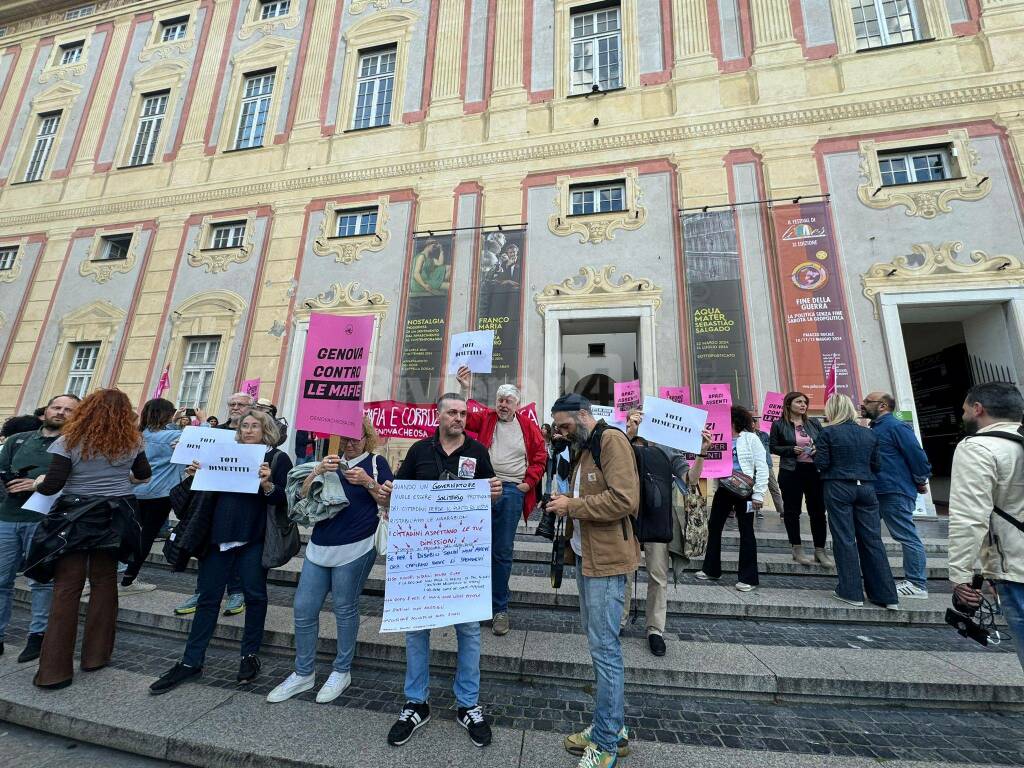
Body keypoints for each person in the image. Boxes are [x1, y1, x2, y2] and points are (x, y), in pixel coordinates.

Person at [378, 392, 501, 749]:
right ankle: (416, 702)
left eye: (463, 413)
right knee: (417, 630)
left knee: (470, 631)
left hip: (463, 560)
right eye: (452, 412)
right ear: (438, 415)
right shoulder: (419, 451)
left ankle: (468, 704)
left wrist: (493, 493)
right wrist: (388, 492)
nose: (459, 418)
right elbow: (399, 495)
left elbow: (489, 497)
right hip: (423, 558)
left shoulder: (477, 452)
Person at [149, 409, 292, 694]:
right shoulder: (221, 453)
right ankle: (191, 661)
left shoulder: (276, 458)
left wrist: (267, 484)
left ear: (267, 430)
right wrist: (192, 475)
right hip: (218, 537)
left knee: (255, 596)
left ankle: (249, 656)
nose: (248, 430)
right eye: (244, 426)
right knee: (208, 599)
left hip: (253, 538)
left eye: (255, 426)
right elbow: (196, 496)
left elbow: (283, 500)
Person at [28, 389, 149, 688]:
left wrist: (39, 482)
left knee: (67, 588)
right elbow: (143, 473)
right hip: (116, 515)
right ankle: (96, 656)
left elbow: (53, 484)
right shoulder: (133, 440)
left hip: (75, 516)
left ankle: (54, 671)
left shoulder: (68, 440)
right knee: (105, 582)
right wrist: (122, 478)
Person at [267, 417, 392, 705]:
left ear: (366, 437)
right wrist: (317, 472)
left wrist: (368, 481)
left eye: (356, 437)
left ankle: (341, 670)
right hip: (320, 544)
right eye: (345, 437)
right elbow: (299, 497)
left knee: (345, 607)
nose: (350, 443)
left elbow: (389, 501)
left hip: (357, 544)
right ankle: (303, 672)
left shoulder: (376, 462)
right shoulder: (329, 460)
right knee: (303, 607)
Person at [547, 394, 639, 768]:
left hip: (607, 562)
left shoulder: (610, 441)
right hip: (588, 558)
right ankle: (610, 725)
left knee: (605, 650)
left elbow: (624, 500)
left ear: (584, 415)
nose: (561, 432)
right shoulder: (584, 447)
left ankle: (605, 744)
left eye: (565, 425)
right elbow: (586, 493)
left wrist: (574, 506)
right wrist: (564, 499)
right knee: (599, 645)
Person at [456, 366, 546, 636]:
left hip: (510, 491)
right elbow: (463, 419)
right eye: (500, 400)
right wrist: (464, 388)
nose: (503, 404)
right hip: (483, 488)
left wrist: (527, 484)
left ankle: (499, 609)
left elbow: (541, 456)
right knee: (479, 547)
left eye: (508, 400)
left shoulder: (528, 426)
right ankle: (481, 600)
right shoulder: (487, 418)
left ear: (517, 404)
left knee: (502, 550)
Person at [947, 383, 1024, 671]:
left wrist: (961, 574)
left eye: (965, 409)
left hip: (1016, 564)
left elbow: (969, 517)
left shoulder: (977, 447)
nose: (963, 414)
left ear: (978, 408)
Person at [623, 408, 710, 655]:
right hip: (627, 515)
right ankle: (619, 619)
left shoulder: (666, 447)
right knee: (624, 572)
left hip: (658, 517)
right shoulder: (621, 440)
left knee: (658, 575)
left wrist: (702, 452)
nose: (640, 419)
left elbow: (690, 478)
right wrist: (629, 434)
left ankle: (655, 629)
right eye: (636, 415)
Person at [0, 395, 78, 662]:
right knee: (1, 581)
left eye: (69, 410)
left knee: (41, 582)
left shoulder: (75, 444)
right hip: (8, 518)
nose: (61, 412)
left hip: (46, 521)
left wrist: (38, 483)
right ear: (45, 411)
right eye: (57, 407)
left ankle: (38, 636)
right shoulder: (17, 440)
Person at [173, 391, 254, 617]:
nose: (235, 407)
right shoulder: (217, 432)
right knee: (207, 547)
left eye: (241, 404)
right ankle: (202, 591)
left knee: (236, 546)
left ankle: (237, 592)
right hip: (210, 500)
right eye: (232, 404)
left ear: (251, 407)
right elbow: (200, 461)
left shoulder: (256, 434)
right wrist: (186, 455)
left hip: (241, 502)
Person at [814, 395, 898, 609]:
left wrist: (816, 456)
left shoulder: (827, 432)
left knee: (844, 538)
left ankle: (850, 591)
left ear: (832, 410)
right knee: (872, 539)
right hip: (867, 487)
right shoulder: (869, 434)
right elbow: (877, 464)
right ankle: (886, 595)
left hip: (838, 485)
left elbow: (822, 464)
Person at [861, 392, 932, 599]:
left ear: (882, 406)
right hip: (878, 489)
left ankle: (917, 583)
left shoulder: (896, 426)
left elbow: (917, 454)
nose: (863, 404)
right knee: (868, 535)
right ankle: (878, 580)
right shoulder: (876, 427)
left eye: (868, 401)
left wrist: (920, 479)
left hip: (894, 489)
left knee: (905, 535)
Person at [696, 405, 769, 593]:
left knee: (746, 531)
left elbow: (762, 466)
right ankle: (711, 569)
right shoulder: (718, 438)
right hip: (724, 488)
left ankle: (748, 577)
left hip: (745, 490)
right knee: (714, 526)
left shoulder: (750, 439)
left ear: (734, 420)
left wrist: (759, 494)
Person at [120, 399, 185, 595]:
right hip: (161, 493)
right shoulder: (174, 435)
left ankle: (97, 576)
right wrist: (201, 419)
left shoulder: (137, 435)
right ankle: (129, 580)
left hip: (134, 490)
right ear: (167, 414)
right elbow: (206, 436)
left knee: (125, 533)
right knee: (146, 536)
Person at [770, 391, 832, 567]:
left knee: (818, 511)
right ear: (789, 404)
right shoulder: (779, 424)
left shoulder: (813, 422)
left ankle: (820, 550)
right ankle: (797, 549)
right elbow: (773, 447)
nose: (803, 405)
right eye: (799, 402)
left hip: (814, 470)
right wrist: (791, 449)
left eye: (805, 402)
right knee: (792, 511)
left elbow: (823, 443)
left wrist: (816, 450)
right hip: (791, 471)